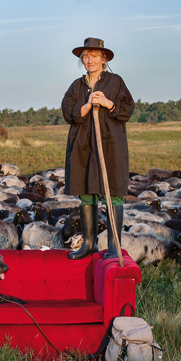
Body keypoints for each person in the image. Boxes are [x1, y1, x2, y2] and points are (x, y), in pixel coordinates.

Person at [61, 37, 135, 260]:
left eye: (94, 55)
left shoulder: (115, 82)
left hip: (110, 145)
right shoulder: (77, 85)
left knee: (113, 191)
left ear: (104, 58)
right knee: (86, 190)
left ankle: (113, 246)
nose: (89, 59)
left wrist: (108, 103)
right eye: (85, 56)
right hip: (83, 145)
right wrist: (84, 107)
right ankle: (89, 244)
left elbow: (128, 109)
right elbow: (67, 111)